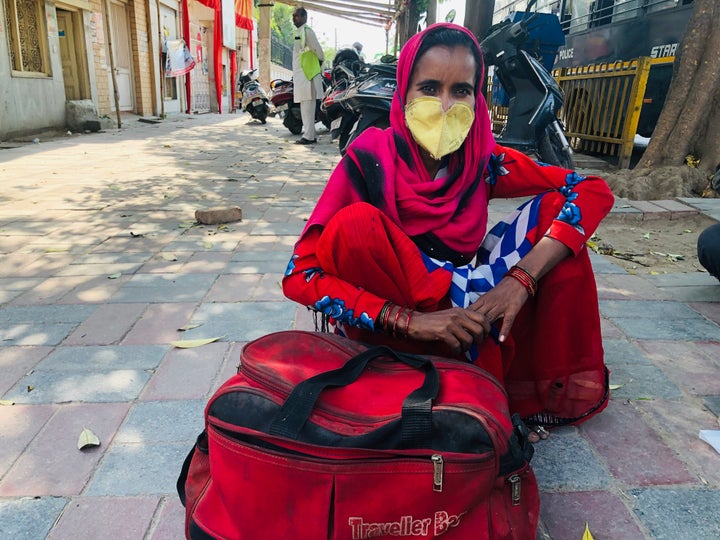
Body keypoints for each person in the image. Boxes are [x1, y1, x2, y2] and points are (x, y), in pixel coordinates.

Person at [282, 23, 615, 430]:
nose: (444, 105)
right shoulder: (369, 159)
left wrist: (521, 279)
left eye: (461, 91)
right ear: (404, 90)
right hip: (394, 324)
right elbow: (300, 275)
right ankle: (441, 371)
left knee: (556, 216)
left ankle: (525, 381)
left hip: (464, 314)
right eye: (429, 88)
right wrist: (412, 321)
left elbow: (591, 190)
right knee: (355, 227)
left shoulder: (482, 161)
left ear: (478, 97)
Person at [292, 7, 324, 145]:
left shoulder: (307, 32)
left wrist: (319, 64)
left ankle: (309, 136)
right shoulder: (299, 32)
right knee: (305, 106)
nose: (294, 18)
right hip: (302, 75)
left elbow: (318, 51)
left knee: (307, 107)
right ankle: (310, 135)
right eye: (293, 16)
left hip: (307, 75)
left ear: (304, 17)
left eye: (297, 16)